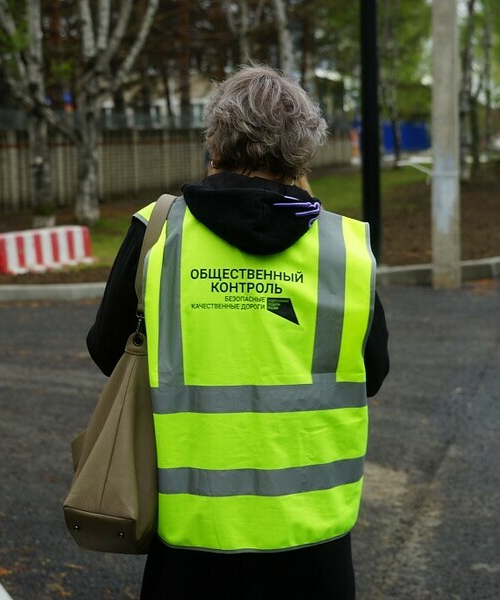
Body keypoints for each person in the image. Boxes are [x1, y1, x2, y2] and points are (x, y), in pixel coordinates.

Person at [86, 65, 390, 599]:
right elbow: (372, 375)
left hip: (190, 538)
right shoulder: (345, 248)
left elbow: (106, 349)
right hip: (313, 544)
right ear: (303, 151)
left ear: (216, 140)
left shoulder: (159, 232)